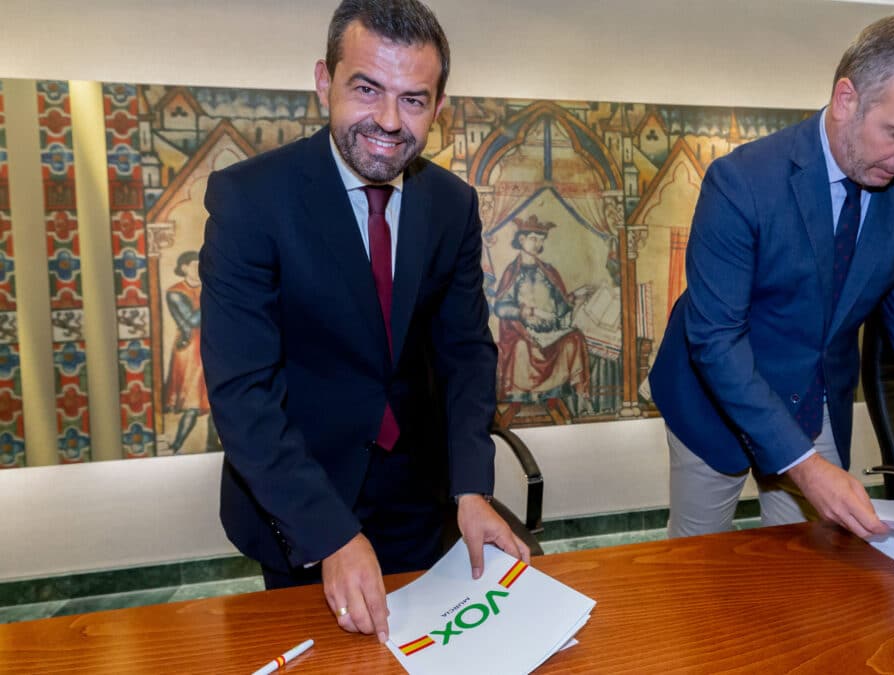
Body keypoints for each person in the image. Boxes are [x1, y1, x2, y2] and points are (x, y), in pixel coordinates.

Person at [648, 8, 894, 541]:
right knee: (697, 562)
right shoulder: (741, 181)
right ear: (846, 99)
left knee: (811, 568)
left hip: (816, 401)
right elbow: (717, 339)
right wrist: (804, 466)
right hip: (712, 401)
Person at [200, 0, 529, 645]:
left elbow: (464, 351)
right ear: (325, 82)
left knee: (420, 650)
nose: (387, 120)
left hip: (418, 495)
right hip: (296, 496)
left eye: (413, 99)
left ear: (439, 106)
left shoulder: (451, 205)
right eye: (367, 89)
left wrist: (471, 487)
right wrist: (329, 533)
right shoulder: (250, 200)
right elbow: (243, 392)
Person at [494, 215, 593, 417]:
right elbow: (500, 308)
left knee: (574, 339)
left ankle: (576, 399)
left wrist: (575, 299)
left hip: (550, 334)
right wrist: (526, 312)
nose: (538, 243)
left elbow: (560, 308)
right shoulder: (513, 272)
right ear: (521, 240)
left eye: (541, 239)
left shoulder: (548, 272)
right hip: (523, 334)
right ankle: (521, 399)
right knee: (522, 348)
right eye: (533, 238)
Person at [162, 250, 218, 454]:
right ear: (184, 267)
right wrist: (214, 292)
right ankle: (177, 446)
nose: (198, 267)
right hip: (190, 351)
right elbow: (192, 321)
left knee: (215, 402)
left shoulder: (206, 288)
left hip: (211, 345)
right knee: (192, 403)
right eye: (194, 263)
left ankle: (214, 448)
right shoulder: (175, 292)